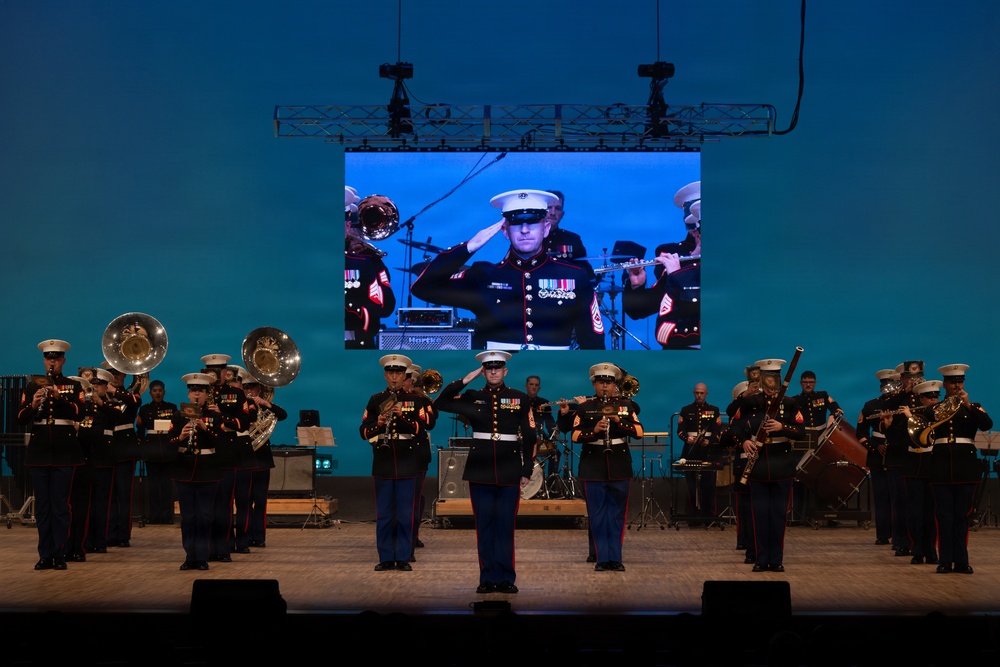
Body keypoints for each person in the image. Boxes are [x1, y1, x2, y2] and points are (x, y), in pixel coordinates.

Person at [411, 189, 605, 350]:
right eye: (516, 223)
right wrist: (468, 247)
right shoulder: (483, 276)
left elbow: (593, 341)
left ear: (546, 229)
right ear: (505, 231)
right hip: (498, 372)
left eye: (533, 222)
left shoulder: (574, 276)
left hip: (556, 373)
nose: (525, 230)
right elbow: (423, 288)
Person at [433, 350, 536, 593]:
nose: (493, 372)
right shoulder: (472, 397)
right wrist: (465, 380)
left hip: (509, 468)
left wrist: (526, 469)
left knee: (505, 527)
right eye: (488, 368)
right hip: (480, 469)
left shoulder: (520, 398)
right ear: (483, 371)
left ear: (505, 371)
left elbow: (530, 436)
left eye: (497, 368)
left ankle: (506, 578)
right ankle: (487, 578)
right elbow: (440, 403)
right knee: (484, 526)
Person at [16, 340, 85, 570]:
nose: (52, 362)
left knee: (60, 506)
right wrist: (33, 404)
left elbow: (80, 413)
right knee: (43, 507)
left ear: (63, 360)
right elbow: (20, 418)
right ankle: (45, 554)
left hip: (65, 452)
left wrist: (59, 397)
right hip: (40, 451)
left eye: (56, 358)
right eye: (48, 358)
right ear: (44, 360)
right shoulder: (31, 386)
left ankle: (59, 553)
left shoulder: (73, 386)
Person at [732, 359, 805, 572]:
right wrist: (744, 441)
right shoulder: (750, 402)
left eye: (774, 377)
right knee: (759, 516)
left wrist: (783, 427)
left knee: (779, 516)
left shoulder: (790, 403)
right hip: (758, 466)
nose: (770, 382)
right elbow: (735, 427)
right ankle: (761, 559)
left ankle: (776, 559)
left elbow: (801, 431)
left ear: (779, 379)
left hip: (782, 465)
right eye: (767, 378)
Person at [359, 354, 429, 571]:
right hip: (383, 462)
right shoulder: (375, 400)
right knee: (385, 514)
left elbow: (421, 430)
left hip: (407, 461)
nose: (394, 377)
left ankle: (404, 557)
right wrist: (378, 424)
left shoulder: (415, 400)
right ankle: (386, 557)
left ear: (404, 376)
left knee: (405, 514)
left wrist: (403, 417)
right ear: (385, 376)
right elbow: (363, 431)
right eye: (391, 373)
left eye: (398, 373)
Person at [571, 363, 643, 571]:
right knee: (598, 515)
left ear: (614, 386)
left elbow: (639, 432)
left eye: (608, 383)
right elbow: (575, 435)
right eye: (600, 383)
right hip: (592, 465)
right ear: (594, 385)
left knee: (617, 515)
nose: (604, 387)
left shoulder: (626, 406)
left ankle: (616, 558)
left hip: (619, 464)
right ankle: (602, 558)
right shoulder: (585, 407)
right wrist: (593, 430)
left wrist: (619, 422)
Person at [928, 364, 993, 574]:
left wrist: (968, 405)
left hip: (965, 467)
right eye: (953, 382)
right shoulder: (935, 409)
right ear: (945, 384)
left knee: (962, 517)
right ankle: (945, 560)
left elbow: (986, 424)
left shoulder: (973, 407)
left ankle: (962, 561)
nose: (957, 386)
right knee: (944, 516)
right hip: (941, 467)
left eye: (960, 382)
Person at [168, 373, 224, 570]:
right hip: (184, 472)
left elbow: (222, 443)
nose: (197, 395)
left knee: (204, 516)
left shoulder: (215, 416)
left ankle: (202, 557)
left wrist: (205, 428)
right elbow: (168, 442)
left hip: (207, 473)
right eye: (193, 391)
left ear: (207, 394)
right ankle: (189, 556)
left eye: (201, 391)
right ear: (188, 394)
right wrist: (180, 437)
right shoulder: (178, 415)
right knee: (188, 517)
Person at [200, 353, 252, 563]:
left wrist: (221, 415)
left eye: (218, 371)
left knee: (224, 503)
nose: (214, 375)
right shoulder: (201, 393)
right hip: (206, 452)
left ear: (225, 373)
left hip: (227, 452)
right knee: (207, 505)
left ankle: (225, 546)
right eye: (210, 371)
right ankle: (207, 548)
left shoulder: (236, 394)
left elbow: (243, 423)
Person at [879, 360, 924, 557]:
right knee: (901, 503)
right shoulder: (897, 398)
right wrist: (904, 393)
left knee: (920, 504)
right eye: (910, 378)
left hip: (920, 456)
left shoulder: (926, 395)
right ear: (903, 378)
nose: (914, 381)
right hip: (900, 456)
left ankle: (919, 543)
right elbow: (885, 410)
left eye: (918, 377)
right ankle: (902, 541)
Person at [345, 184, 396, 349]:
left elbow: (386, 307)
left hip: (359, 342)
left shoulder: (369, 260)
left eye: (355, 226)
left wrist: (370, 259)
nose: (354, 232)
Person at [790, 371, 843, 521]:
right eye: (805, 382)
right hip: (802, 439)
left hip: (821, 439)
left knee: (824, 476)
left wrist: (832, 415)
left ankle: (826, 515)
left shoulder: (823, 396)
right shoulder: (794, 400)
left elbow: (837, 408)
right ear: (801, 383)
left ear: (815, 383)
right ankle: (797, 516)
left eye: (811, 382)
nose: (808, 384)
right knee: (799, 478)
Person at [855, 369, 899, 546]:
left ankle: (899, 535)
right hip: (877, 455)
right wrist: (874, 446)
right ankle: (882, 534)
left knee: (898, 497)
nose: (888, 388)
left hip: (896, 452)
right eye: (885, 385)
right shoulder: (870, 405)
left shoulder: (902, 404)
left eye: (891, 384)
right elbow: (861, 432)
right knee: (881, 497)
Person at [900, 379, 941, 565]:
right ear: (921, 399)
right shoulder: (909, 415)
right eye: (929, 397)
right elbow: (898, 438)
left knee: (931, 514)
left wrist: (911, 418)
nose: (933, 400)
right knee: (915, 513)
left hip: (931, 466)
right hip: (913, 467)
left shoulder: (940, 415)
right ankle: (916, 550)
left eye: (935, 397)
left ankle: (931, 551)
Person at [243, 376, 286, 549]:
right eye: (246, 387)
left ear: (259, 389)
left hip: (262, 460)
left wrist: (266, 403)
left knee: (260, 501)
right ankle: (246, 536)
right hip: (245, 459)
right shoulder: (239, 407)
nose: (249, 391)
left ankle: (259, 537)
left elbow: (283, 415)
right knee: (245, 501)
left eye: (252, 387)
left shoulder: (264, 406)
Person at [105, 364, 142, 548]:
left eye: (118, 373)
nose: (115, 377)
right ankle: (109, 533)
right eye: (111, 373)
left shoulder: (130, 395)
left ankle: (123, 535)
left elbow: (135, 402)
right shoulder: (102, 396)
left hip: (126, 448)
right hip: (107, 448)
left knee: (124, 494)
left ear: (124, 375)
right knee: (109, 494)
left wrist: (114, 391)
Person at [403, 362, 437, 556]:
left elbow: (431, 421)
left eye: (408, 379)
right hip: (397, 454)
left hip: (417, 455)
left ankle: (412, 535)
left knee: (415, 497)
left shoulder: (422, 400)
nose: (405, 382)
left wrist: (423, 399)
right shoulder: (389, 399)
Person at [677, 383, 722, 525]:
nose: (699, 395)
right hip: (691, 450)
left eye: (702, 393)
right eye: (697, 393)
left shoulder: (714, 410)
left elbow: (717, 431)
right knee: (691, 485)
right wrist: (687, 438)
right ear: (693, 393)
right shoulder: (686, 410)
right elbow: (680, 430)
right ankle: (694, 516)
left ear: (706, 394)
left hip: (708, 450)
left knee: (709, 484)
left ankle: (709, 516)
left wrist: (709, 441)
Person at [136, 379, 179, 525]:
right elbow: (140, 431)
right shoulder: (144, 409)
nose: (157, 393)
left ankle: (167, 515)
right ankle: (153, 515)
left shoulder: (172, 408)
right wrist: (141, 450)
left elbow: (176, 428)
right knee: (153, 485)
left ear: (164, 392)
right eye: (155, 391)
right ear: (150, 393)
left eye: (160, 390)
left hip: (168, 450)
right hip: (151, 450)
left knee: (167, 485)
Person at [542, 189, 595, 282]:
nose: (553, 213)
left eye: (558, 208)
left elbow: (587, 273)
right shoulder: (529, 239)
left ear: (562, 214)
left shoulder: (573, 240)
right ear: (540, 211)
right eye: (549, 207)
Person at [525, 375, 559, 478]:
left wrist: (554, 433)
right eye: (531, 384)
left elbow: (550, 423)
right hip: (523, 435)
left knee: (555, 452)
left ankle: (551, 480)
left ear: (539, 388)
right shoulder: (520, 401)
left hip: (540, 435)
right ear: (526, 386)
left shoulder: (544, 403)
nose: (534, 387)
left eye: (536, 385)